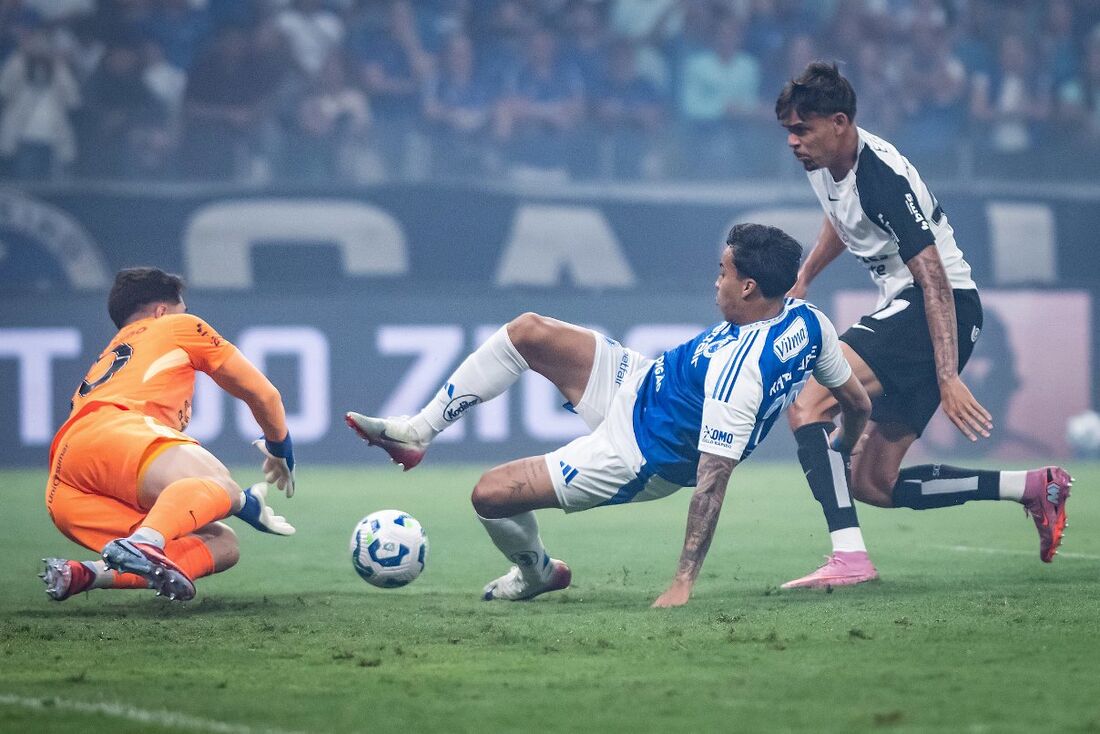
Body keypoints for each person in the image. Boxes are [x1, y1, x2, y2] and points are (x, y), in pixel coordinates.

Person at [347, 223, 871, 607]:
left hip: (636, 454)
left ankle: (536, 573)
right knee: (527, 330)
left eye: (723, 272)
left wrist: (683, 581)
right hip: (640, 382)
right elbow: (857, 401)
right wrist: (844, 444)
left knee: (488, 496)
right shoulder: (810, 320)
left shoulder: (741, 372)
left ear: (749, 287)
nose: (716, 282)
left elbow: (711, 480)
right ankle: (417, 433)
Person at [775, 62, 1072, 589]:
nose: (794, 142)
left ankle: (848, 558)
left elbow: (932, 277)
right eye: (789, 131)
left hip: (938, 306)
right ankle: (1034, 486)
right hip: (920, 308)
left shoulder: (881, 178)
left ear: (840, 122)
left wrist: (948, 375)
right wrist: (804, 279)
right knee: (873, 482)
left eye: (803, 129)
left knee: (808, 402)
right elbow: (842, 221)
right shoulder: (825, 163)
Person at [40, 267, 296, 602]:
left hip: (64, 487)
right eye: (182, 309)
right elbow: (264, 395)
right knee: (220, 482)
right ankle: (145, 541)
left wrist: (240, 504)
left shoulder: (113, 354)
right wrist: (280, 447)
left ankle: (87, 574)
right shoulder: (176, 326)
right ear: (162, 311)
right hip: (115, 432)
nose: (186, 315)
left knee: (221, 544)